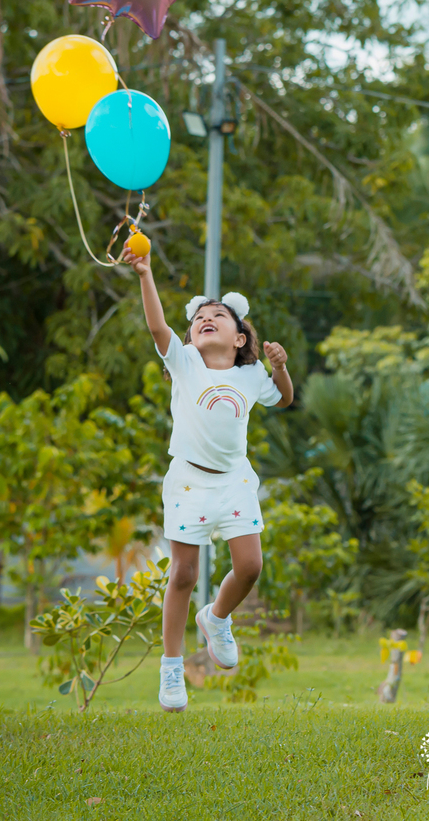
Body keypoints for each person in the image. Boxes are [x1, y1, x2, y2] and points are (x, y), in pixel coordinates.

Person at [124, 244, 294, 712]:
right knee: (182, 573)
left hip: (234, 480)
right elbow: (158, 326)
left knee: (250, 568)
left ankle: (217, 618)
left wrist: (280, 368)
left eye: (218, 315)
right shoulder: (184, 362)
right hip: (188, 481)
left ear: (240, 338)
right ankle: (172, 667)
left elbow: (282, 399)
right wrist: (145, 273)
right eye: (199, 317)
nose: (206, 318)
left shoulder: (252, 374)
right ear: (192, 336)